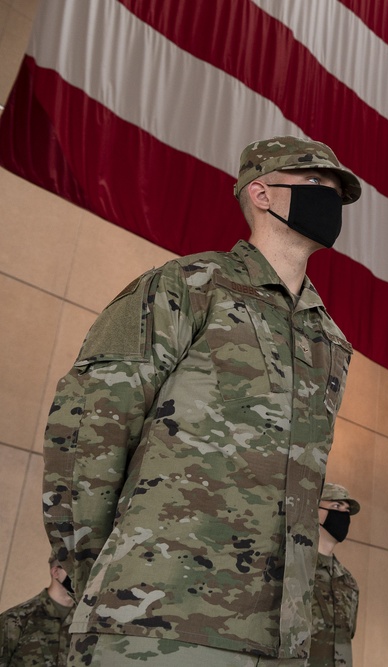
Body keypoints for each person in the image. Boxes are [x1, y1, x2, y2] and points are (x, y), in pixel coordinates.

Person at [42, 135, 361, 665]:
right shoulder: (187, 286)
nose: (328, 199)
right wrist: (93, 571)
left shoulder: (327, 338)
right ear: (261, 193)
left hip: (278, 637)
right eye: (313, 184)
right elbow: (89, 427)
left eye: (334, 191)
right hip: (154, 617)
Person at [309, 483, 361, 667]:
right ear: (314, 510)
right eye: (336, 507)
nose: (343, 516)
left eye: (347, 511)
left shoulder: (348, 582)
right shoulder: (296, 570)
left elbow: (348, 636)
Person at [0, 560, 75, 666]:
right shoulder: (16, 618)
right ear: (56, 572)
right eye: (73, 569)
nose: (81, 574)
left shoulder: (88, 620)